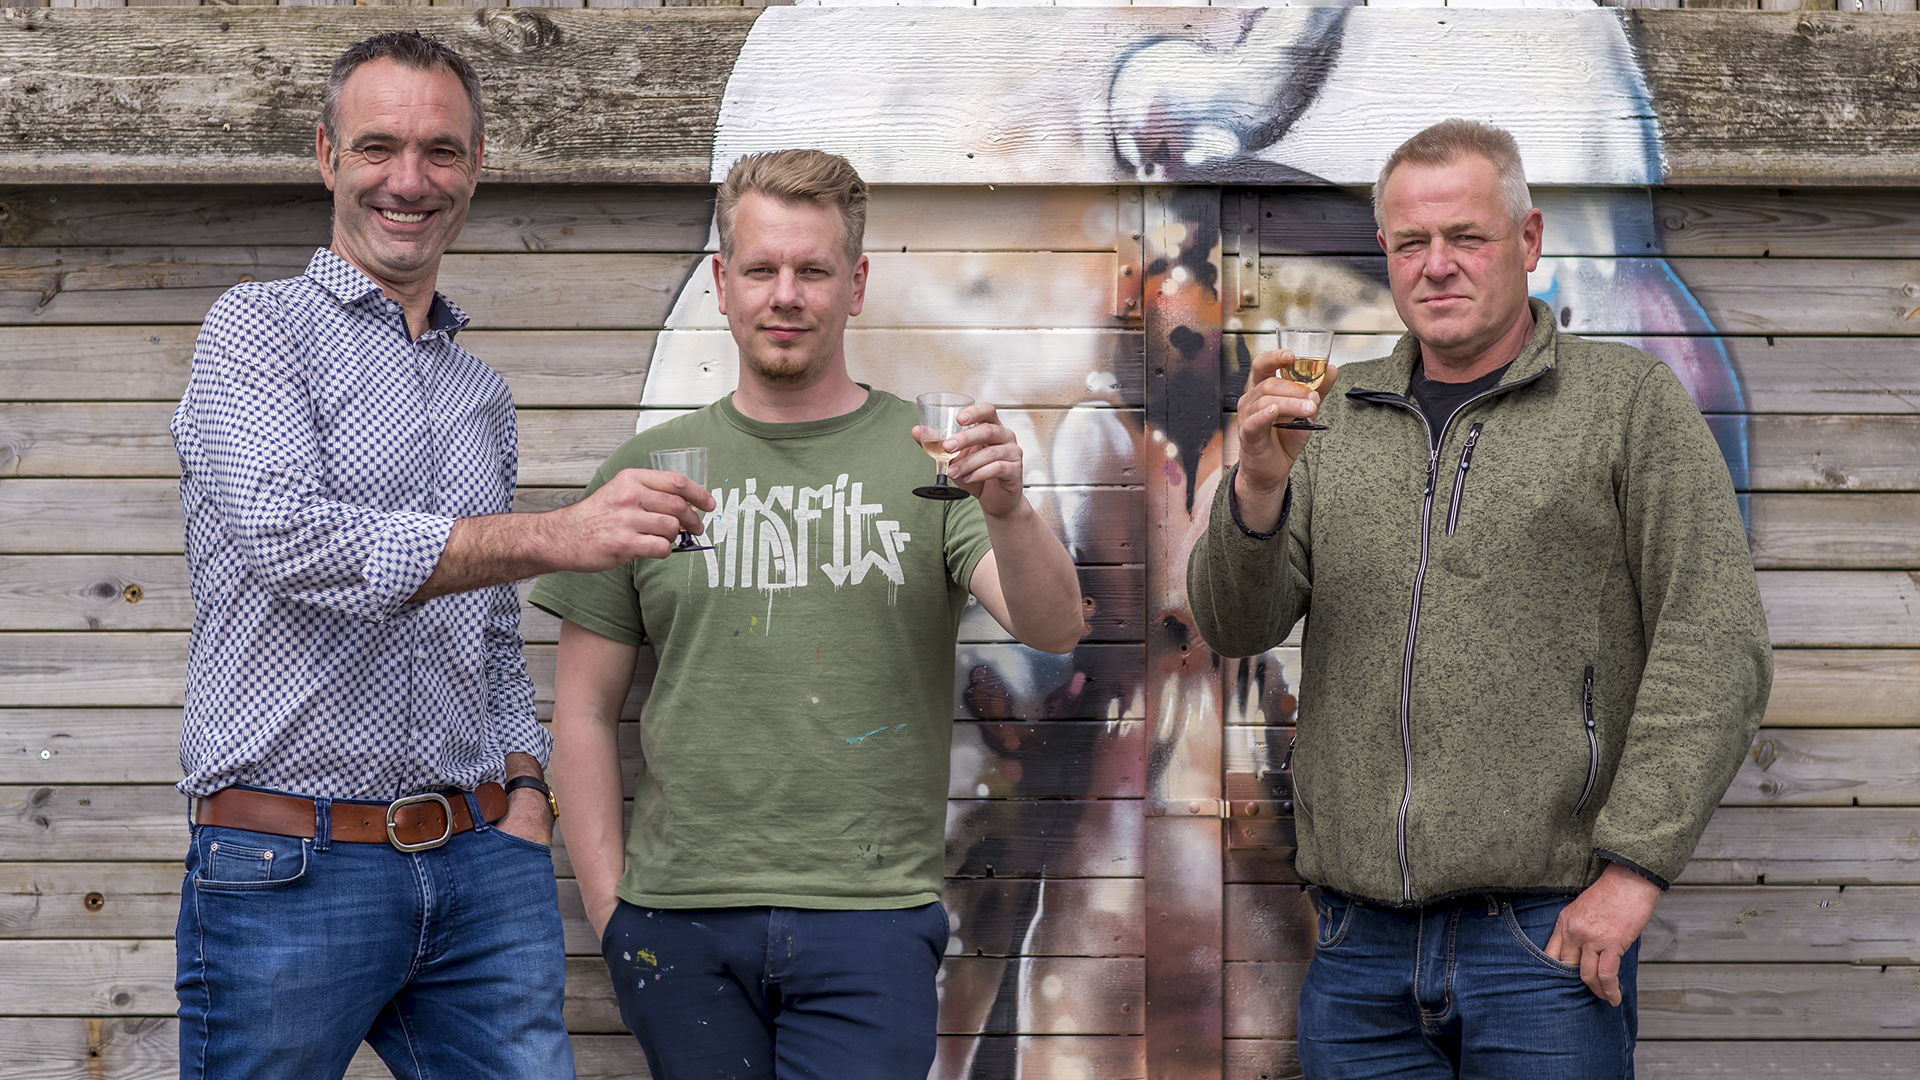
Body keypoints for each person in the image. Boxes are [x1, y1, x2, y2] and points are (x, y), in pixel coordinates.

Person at [169, 31, 712, 1080]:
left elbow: (491, 627)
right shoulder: (256, 331)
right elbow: (291, 540)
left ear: (476, 167)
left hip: (480, 868)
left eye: (441, 152)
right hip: (288, 865)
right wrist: (558, 533)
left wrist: (525, 790)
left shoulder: (480, 394)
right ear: (327, 156)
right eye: (379, 147)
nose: (409, 181)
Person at [1187, 119, 1772, 1079]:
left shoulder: (1627, 405)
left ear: (1528, 240)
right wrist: (1256, 484)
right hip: (1357, 952)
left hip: (1544, 943)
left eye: (1466, 237)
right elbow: (1235, 623)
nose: (1437, 266)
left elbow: (1715, 642)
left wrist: (1634, 872)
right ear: (1386, 252)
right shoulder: (1330, 417)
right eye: (1411, 243)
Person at [529, 148, 1087, 1080]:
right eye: (761, 269)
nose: (785, 295)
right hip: (679, 920)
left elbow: (1054, 626)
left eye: (812, 270)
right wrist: (610, 909)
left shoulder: (934, 460)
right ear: (722, 284)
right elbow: (582, 711)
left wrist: (1008, 510)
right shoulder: (648, 470)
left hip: (871, 920)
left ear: (854, 285)